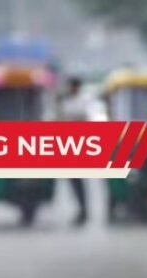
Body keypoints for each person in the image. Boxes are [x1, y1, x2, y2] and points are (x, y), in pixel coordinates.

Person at [60, 76, 89, 226]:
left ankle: (84, 210)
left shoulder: (82, 101)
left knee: (78, 181)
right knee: (73, 181)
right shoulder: (65, 101)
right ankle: (81, 210)